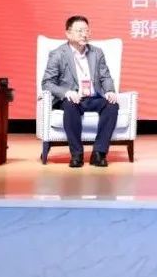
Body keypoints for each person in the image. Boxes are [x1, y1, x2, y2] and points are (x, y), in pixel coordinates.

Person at [41, 15, 119, 168]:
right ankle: (77, 154)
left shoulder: (97, 52)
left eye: (86, 31)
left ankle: (99, 153)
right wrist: (66, 92)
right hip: (72, 98)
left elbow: (105, 76)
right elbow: (47, 83)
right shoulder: (58, 54)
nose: (84, 34)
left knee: (112, 105)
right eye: (80, 31)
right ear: (68, 33)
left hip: (93, 96)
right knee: (70, 105)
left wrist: (110, 90)